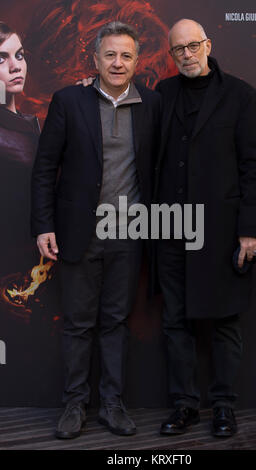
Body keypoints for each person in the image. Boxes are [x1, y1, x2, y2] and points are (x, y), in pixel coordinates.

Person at [31, 21, 160, 439]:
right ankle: (74, 404)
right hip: (79, 233)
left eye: (126, 55)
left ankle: (112, 404)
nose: (118, 62)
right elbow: (45, 168)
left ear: (137, 61)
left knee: (116, 323)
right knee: (78, 323)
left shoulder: (153, 105)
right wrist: (44, 225)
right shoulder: (69, 101)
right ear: (96, 59)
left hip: (130, 235)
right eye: (110, 54)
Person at [154, 19, 256, 437]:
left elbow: (254, 170)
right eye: (177, 49)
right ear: (171, 55)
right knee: (175, 322)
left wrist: (250, 230)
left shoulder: (241, 96)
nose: (185, 54)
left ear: (208, 45)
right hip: (168, 229)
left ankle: (223, 406)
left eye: (192, 46)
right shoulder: (162, 95)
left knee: (224, 322)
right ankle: (184, 405)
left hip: (221, 232)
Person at [0, 22, 40, 261]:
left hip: (39, 257)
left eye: (19, 55)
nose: (16, 66)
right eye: (0, 59)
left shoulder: (29, 121)